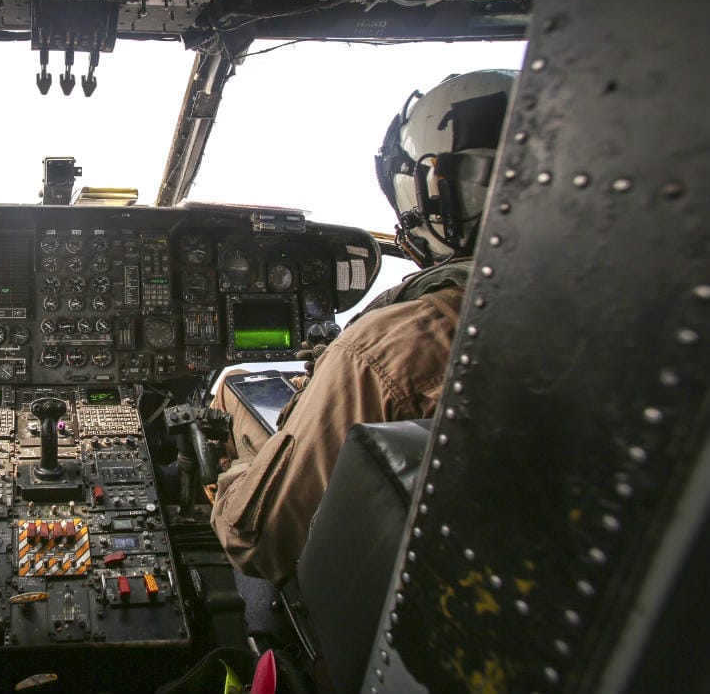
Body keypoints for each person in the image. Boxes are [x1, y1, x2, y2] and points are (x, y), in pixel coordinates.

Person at [209, 69, 518, 584]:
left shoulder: (386, 351)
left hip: (375, 588)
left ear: (434, 192)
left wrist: (234, 476)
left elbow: (260, 543)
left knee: (229, 392)